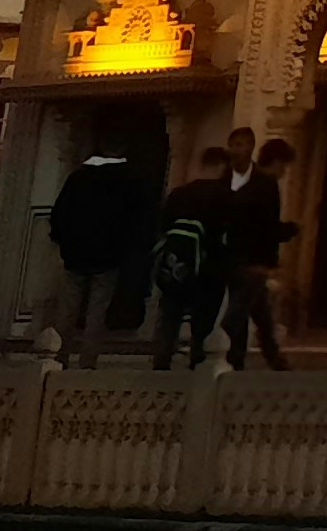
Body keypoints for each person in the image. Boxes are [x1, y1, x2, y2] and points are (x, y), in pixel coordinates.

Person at [44, 139, 156, 367]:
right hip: (108, 257)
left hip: (75, 255)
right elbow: (138, 221)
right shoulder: (130, 180)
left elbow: (60, 214)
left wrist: (63, 242)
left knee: (68, 310)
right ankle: (88, 360)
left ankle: (57, 355)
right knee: (97, 311)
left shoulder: (79, 177)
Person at [148, 150, 240, 370]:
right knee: (203, 323)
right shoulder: (225, 197)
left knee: (169, 318)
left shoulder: (180, 193)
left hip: (176, 266)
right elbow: (229, 235)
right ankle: (197, 366)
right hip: (210, 270)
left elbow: (162, 228)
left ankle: (160, 366)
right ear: (222, 167)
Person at [226, 138, 297, 369]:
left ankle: (272, 357)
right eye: (283, 166)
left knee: (259, 311)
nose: (284, 172)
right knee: (242, 311)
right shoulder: (266, 186)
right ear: (277, 162)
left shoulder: (248, 183)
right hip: (252, 260)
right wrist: (291, 230)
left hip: (239, 257)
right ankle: (234, 357)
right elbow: (265, 226)